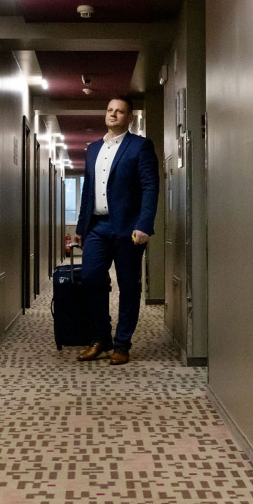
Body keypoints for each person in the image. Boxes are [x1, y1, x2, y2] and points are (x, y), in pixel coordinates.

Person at [74, 96, 159, 365]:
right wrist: (81, 226)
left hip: (128, 228)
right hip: (97, 227)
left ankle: (122, 344)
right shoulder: (93, 149)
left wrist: (144, 224)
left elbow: (150, 187)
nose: (113, 114)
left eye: (120, 111)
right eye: (110, 110)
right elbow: (88, 190)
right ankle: (101, 338)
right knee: (91, 278)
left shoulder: (140, 146)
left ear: (129, 117)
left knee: (128, 285)